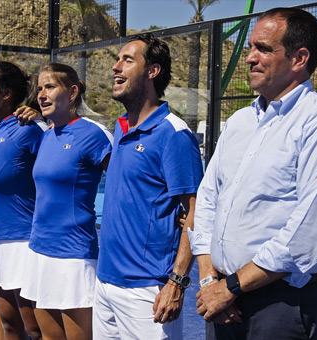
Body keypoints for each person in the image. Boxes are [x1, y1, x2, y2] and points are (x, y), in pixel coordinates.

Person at [191, 8, 317, 339]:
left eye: (263, 49)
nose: (250, 58)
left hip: (283, 306)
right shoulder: (241, 122)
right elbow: (209, 199)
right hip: (222, 301)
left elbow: (306, 236)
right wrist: (211, 280)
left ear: (299, 58)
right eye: (250, 47)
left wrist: (232, 287)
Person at [93, 33, 203, 339]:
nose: (116, 67)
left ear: (152, 71)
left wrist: (177, 283)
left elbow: (196, 213)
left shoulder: (174, 134)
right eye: (117, 59)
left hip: (148, 292)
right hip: (104, 284)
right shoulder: (121, 126)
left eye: (127, 60)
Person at [19, 62, 113, 340]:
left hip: (74, 256)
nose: (42, 94)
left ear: (72, 92)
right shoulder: (47, 134)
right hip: (39, 250)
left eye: (50, 87)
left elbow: (125, 181)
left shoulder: (93, 133)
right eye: (39, 89)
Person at [0, 61, 47, 340]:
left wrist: (40, 119)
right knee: (8, 323)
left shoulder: (28, 129)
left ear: (6, 93)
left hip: (24, 243)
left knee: (35, 329)